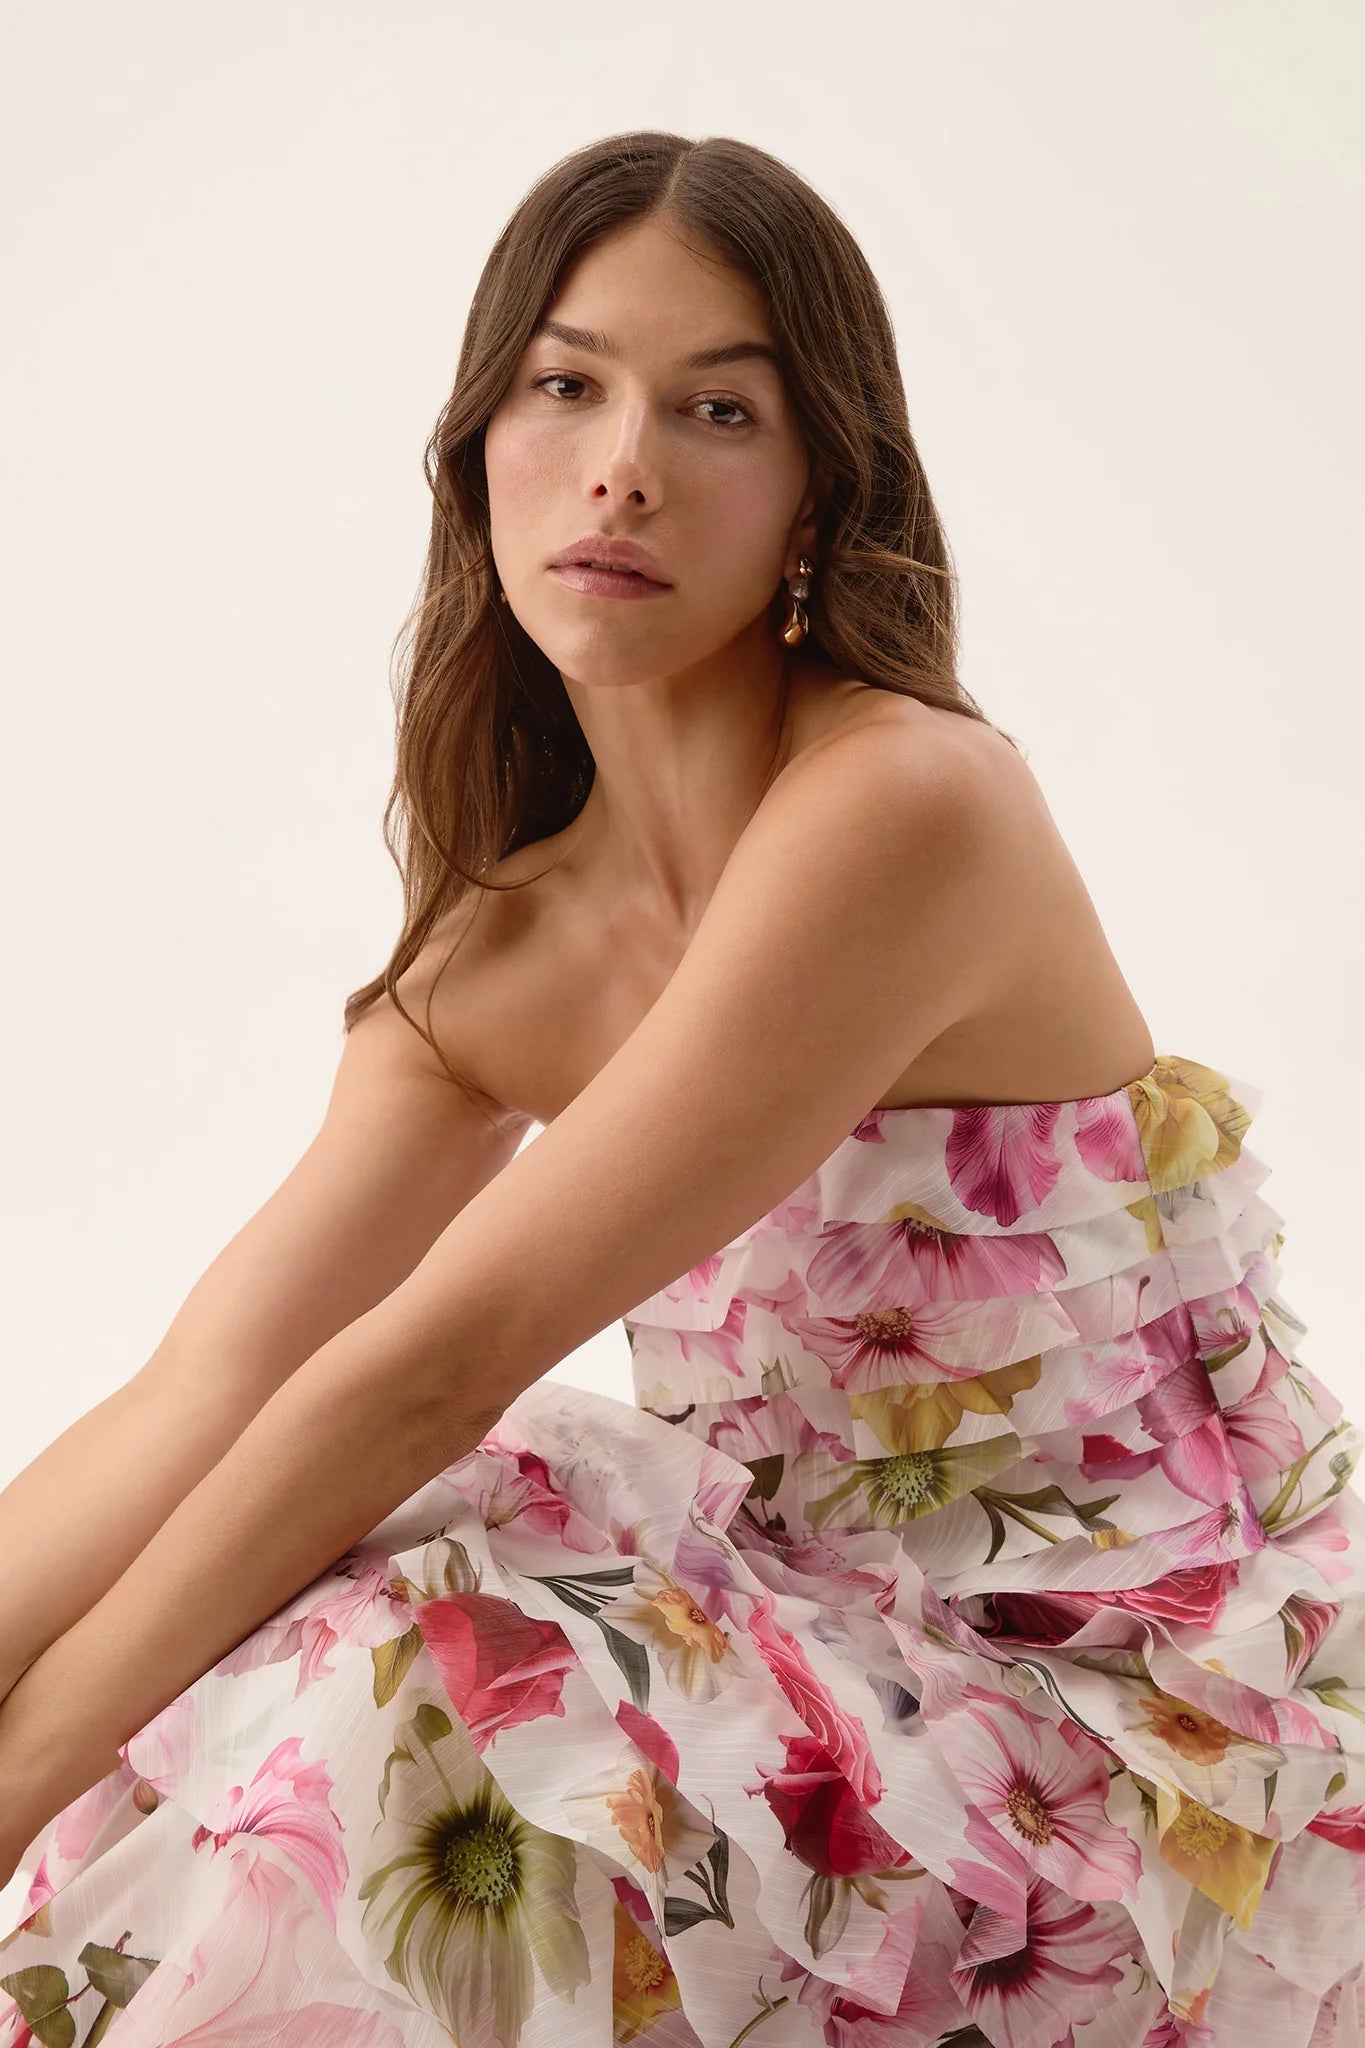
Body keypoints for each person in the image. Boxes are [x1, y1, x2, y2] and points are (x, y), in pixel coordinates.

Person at [0, 128, 1361, 2048]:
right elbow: (209, 1388)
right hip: (829, 1672)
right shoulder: (501, 954)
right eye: (565, 386)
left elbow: (422, 1371)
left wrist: (19, 1775)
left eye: (718, 409)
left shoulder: (903, 808)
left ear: (819, 494)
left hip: (1136, 1750)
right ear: (478, 450)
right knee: (317, 1629)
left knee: (423, 1635)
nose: (622, 465)